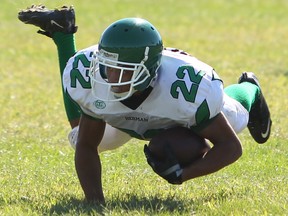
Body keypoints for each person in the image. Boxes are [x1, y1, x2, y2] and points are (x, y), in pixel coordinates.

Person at [18, 5, 272, 204]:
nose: (112, 79)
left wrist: (184, 174)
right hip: (126, 119)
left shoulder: (187, 91)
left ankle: (251, 88)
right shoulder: (93, 75)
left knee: (236, 116)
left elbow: (231, 148)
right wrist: (94, 203)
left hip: (177, 117)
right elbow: (86, 145)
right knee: (78, 135)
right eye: (107, 68)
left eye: (124, 72)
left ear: (149, 70)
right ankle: (63, 34)